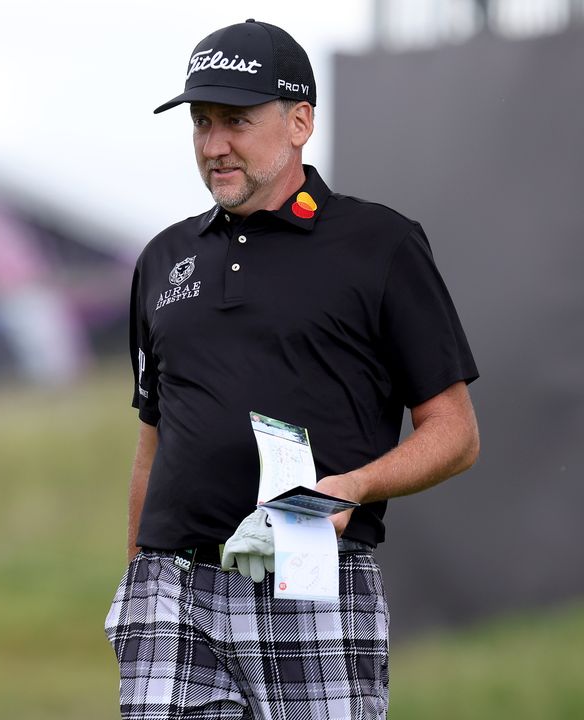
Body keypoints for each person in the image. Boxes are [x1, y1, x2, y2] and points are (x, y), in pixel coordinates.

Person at [104, 19, 480, 720]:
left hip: (313, 584)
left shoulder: (382, 246)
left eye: (237, 122)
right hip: (174, 594)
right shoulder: (162, 259)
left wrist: (349, 491)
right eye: (202, 122)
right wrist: (134, 587)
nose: (214, 145)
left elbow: (455, 433)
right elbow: (151, 444)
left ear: (300, 120)